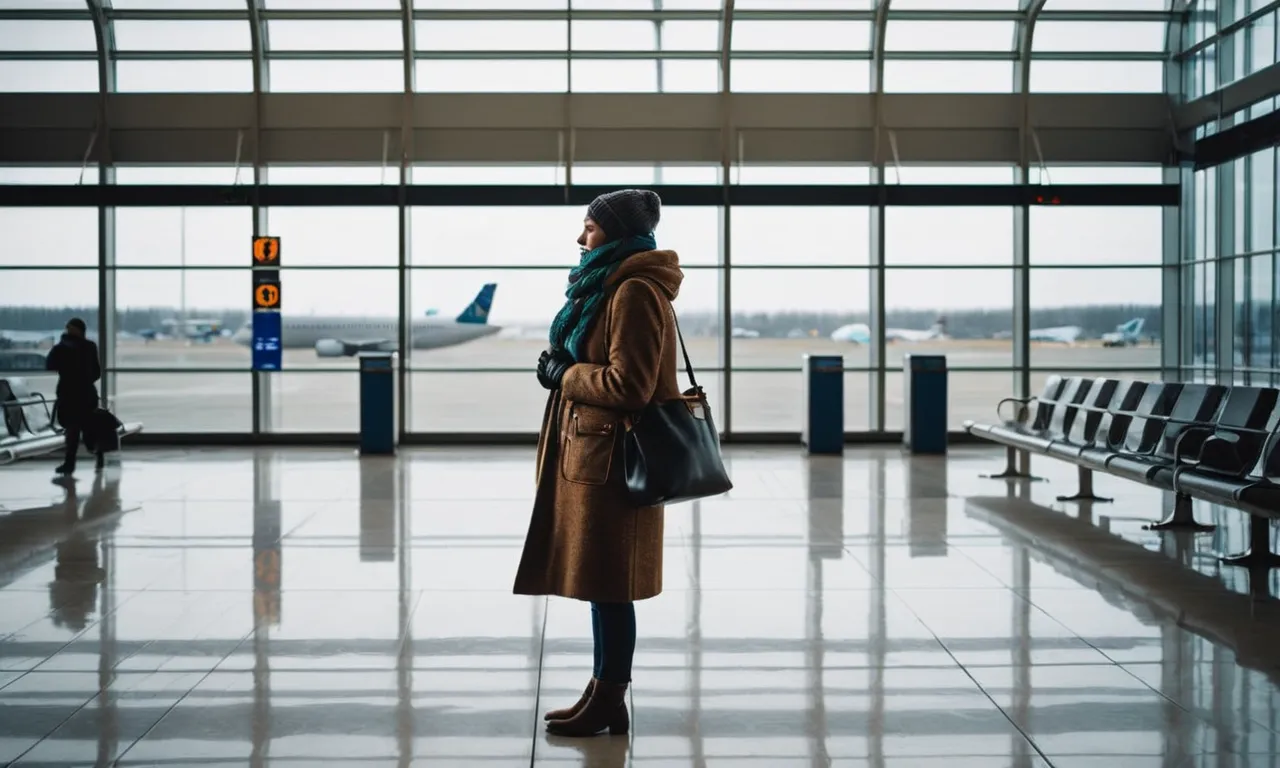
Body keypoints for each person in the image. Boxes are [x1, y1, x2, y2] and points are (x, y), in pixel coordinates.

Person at [513, 188, 684, 738]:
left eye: (589, 227)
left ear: (615, 233)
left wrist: (563, 374)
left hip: (615, 463)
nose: (580, 237)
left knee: (611, 585)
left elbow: (629, 385)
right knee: (599, 584)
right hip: (595, 457)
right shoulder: (608, 286)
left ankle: (610, 696)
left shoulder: (634, 291)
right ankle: (601, 689)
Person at [45, 317, 103, 475]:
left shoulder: (61, 348)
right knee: (85, 429)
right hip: (85, 394)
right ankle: (97, 454)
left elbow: (50, 364)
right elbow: (96, 371)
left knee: (73, 431)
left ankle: (70, 463)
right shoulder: (89, 346)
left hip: (68, 393)